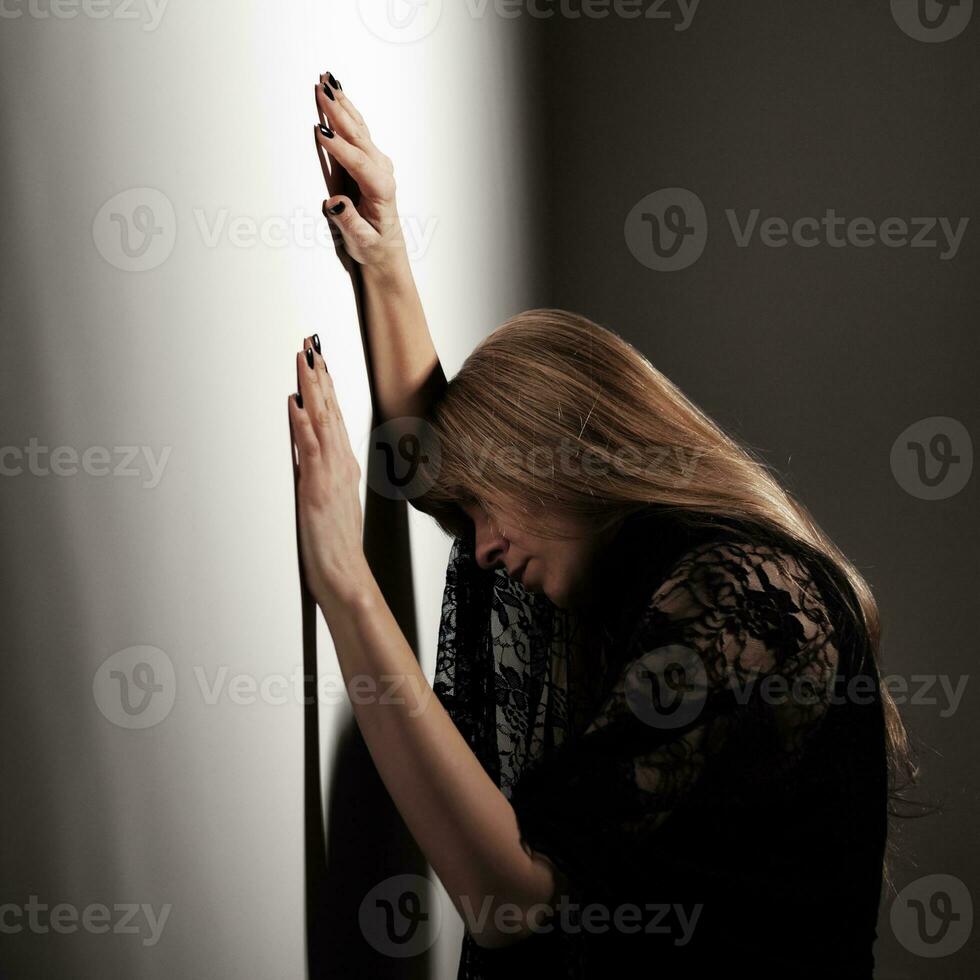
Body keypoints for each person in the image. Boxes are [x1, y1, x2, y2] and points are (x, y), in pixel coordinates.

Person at [290, 71, 917, 978]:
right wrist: (383, 257)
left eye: (485, 507)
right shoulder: (635, 571)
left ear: (567, 458)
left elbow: (512, 897)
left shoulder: (744, 597)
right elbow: (433, 465)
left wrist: (347, 585)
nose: (481, 549)